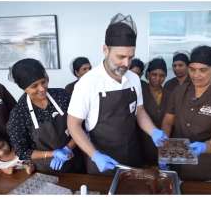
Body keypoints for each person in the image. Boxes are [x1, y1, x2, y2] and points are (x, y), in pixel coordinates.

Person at [67, 13, 168, 175]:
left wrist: (153, 131)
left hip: (132, 155)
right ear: (105, 50)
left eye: (131, 57)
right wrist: (95, 155)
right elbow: (73, 125)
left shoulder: (134, 79)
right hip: (102, 160)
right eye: (120, 57)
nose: (126, 64)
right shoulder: (87, 83)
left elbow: (139, 111)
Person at [162, 45, 211, 182]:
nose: (196, 75)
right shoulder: (179, 92)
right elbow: (168, 121)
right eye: (192, 69)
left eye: (203, 70)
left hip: (207, 169)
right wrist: (163, 147)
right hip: (178, 164)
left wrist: (205, 146)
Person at [7, 58, 84, 173]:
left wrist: (68, 148)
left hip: (75, 160)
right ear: (24, 88)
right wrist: (53, 154)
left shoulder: (62, 96)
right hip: (46, 169)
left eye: (43, 82)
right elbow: (22, 151)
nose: (42, 89)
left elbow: (80, 125)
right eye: (34, 86)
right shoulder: (19, 114)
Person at [140, 57, 169, 166]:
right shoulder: (141, 91)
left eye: (162, 75)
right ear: (148, 75)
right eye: (154, 74)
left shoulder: (169, 94)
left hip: (163, 140)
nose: (158, 78)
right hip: (143, 140)